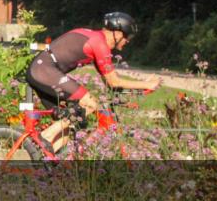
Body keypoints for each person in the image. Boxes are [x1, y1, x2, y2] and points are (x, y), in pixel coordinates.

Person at [25, 12, 160, 153]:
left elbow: (109, 83)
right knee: (90, 104)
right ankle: (44, 136)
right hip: (44, 70)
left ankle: (49, 164)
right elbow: (114, 81)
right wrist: (146, 84)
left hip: (44, 71)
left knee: (70, 127)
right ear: (118, 33)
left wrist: (128, 94)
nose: (128, 41)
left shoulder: (97, 39)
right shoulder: (99, 43)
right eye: (128, 36)